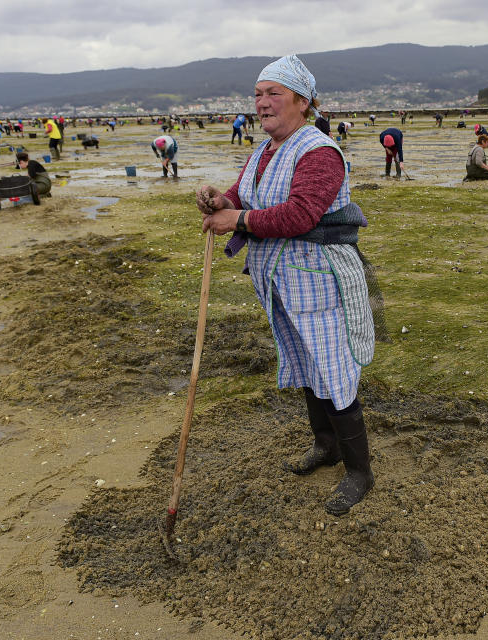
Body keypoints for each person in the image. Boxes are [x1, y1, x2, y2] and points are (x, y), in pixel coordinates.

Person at [196, 54, 375, 516]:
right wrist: (221, 199)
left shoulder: (318, 151)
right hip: (281, 281)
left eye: (273, 93)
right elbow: (242, 195)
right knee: (305, 363)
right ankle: (326, 447)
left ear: (302, 101)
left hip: (321, 282)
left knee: (334, 371)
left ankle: (359, 471)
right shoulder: (264, 150)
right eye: (257, 94)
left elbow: (299, 215)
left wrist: (236, 218)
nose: (261, 102)